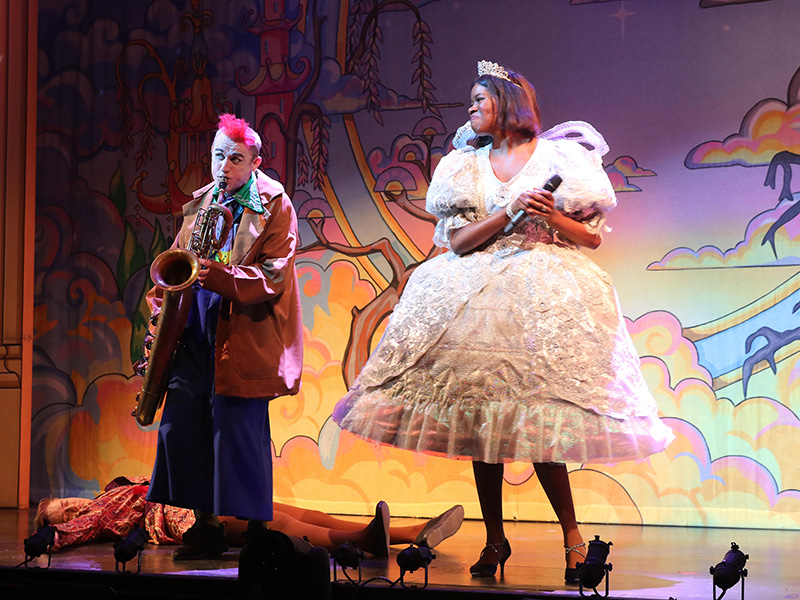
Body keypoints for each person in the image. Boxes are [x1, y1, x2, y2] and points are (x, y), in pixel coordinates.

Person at [332, 60, 674, 583]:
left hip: (541, 298)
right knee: (481, 425)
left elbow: (590, 238)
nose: (470, 108)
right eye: (471, 101)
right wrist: (509, 210)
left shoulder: (561, 158)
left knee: (539, 426)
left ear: (507, 104)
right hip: (475, 298)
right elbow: (457, 243)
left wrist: (547, 214)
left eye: (480, 100)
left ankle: (573, 539)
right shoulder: (464, 164)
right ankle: (495, 539)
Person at [142, 113, 303, 560]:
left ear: (254, 162)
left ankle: (257, 531)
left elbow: (273, 275)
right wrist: (160, 313)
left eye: (235, 159)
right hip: (195, 325)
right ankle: (206, 526)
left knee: (238, 430)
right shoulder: (204, 202)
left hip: (243, 326)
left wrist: (216, 275)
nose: (224, 167)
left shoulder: (275, 205)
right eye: (218, 156)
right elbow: (176, 261)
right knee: (183, 425)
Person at [35, 479, 464, 555]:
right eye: (62, 513)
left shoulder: (111, 491)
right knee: (276, 523)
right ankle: (365, 540)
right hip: (187, 518)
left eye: (66, 502)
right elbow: (75, 531)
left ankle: (410, 532)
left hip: (199, 496)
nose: (71, 508)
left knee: (293, 511)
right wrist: (50, 537)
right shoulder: (97, 514)